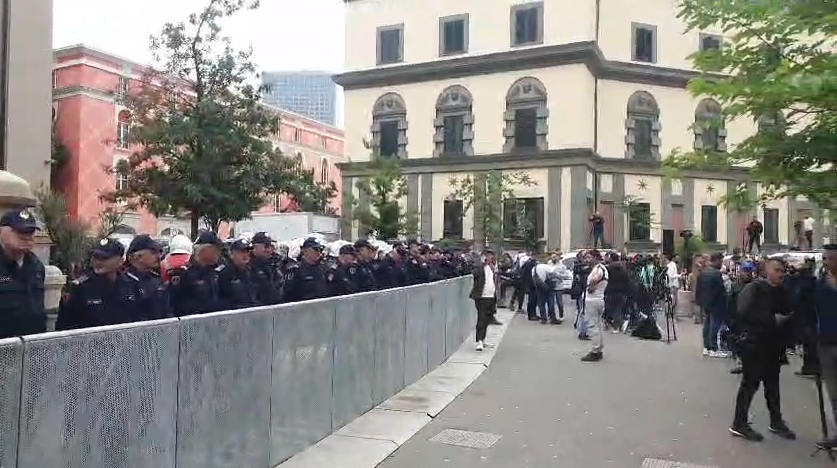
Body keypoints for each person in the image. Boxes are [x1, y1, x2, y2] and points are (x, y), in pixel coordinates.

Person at [729, 257, 795, 441]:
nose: (781, 274)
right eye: (777, 270)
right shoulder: (754, 289)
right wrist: (771, 320)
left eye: (782, 270)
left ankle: (776, 421)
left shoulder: (782, 291)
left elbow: (789, 312)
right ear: (766, 271)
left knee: (772, 386)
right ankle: (739, 423)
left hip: (774, 345)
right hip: (754, 345)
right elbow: (742, 313)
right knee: (749, 385)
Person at [56, 238, 143, 329]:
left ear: (121, 261)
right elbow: (65, 327)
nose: (98, 262)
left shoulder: (132, 284)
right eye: (96, 257)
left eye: (105, 258)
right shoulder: (81, 288)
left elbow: (141, 321)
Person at [0, 209, 46, 338]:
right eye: (20, 231)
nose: (27, 237)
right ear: (1, 232)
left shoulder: (36, 266)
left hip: (32, 345)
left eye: (30, 232)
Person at [168, 231, 225, 316]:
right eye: (216, 249)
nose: (219, 253)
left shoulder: (216, 271)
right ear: (205, 250)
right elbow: (176, 304)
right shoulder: (183, 272)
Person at [125, 234, 169, 319]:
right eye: (153, 253)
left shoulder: (157, 280)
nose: (158, 257)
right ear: (137, 256)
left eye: (159, 253)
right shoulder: (124, 281)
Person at [697, 253, 728, 357]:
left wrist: (700, 301)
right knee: (714, 326)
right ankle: (713, 348)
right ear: (717, 260)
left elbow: (699, 288)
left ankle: (706, 347)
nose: (721, 264)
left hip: (706, 302)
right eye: (721, 261)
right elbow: (721, 290)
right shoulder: (716, 273)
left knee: (707, 325)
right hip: (716, 303)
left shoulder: (703, 272)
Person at [581, 250, 608, 362]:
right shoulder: (600, 268)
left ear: (596, 258)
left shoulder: (598, 269)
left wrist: (591, 288)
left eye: (589, 257)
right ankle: (598, 348)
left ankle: (595, 351)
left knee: (593, 326)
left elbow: (594, 279)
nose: (586, 260)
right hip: (598, 299)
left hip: (593, 300)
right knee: (598, 325)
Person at [469, 250, 497, 351]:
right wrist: (482, 264)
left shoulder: (492, 267)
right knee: (481, 317)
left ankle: (483, 338)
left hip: (491, 296)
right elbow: (474, 274)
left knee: (488, 318)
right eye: (488, 256)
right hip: (482, 297)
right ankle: (479, 340)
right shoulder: (479, 267)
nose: (490, 258)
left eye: (491, 256)